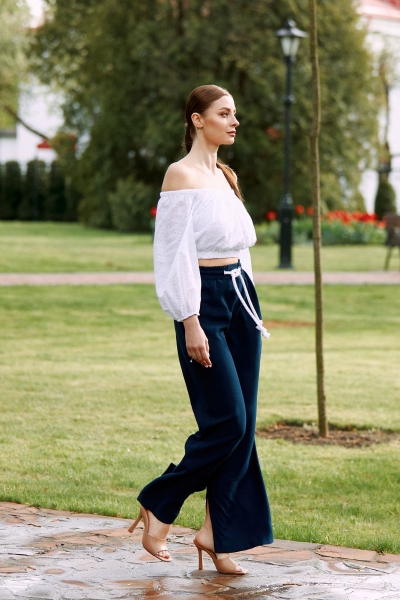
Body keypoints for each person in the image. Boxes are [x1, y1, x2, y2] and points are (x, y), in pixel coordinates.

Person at [129, 84, 273, 575]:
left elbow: (240, 248)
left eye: (234, 114)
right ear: (197, 119)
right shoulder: (180, 175)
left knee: (245, 427)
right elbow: (172, 255)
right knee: (228, 421)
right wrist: (189, 319)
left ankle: (217, 534)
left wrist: (250, 306)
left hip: (240, 298)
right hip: (203, 302)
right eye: (224, 113)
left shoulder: (225, 176)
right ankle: (159, 502)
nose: (234, 121)